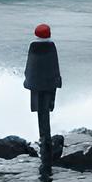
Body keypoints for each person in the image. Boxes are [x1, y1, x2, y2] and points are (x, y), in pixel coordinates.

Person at [24, 22, 61, 173]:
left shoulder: (33, 46)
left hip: (36, 86)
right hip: (49, 85)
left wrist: (28, 81)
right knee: (46, 111)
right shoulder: (51, 46)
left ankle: (44, 142)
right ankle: (46, 142)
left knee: (40, 112)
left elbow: (30, 67)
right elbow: (55, 66)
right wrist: (57, 81)